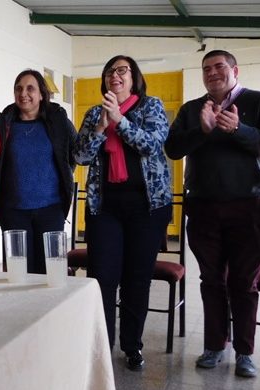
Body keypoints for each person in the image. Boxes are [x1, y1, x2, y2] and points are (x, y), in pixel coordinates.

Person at [165, 50, 260, 378]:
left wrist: (238, 129)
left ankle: (244, 352)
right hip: (203, 207)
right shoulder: (190, 109)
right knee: (211, 279)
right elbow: (173, 149)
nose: (212, 73)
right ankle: (214, 345)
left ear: (235, 70)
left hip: (249, 207)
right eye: (206, 69)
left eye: (219, 67)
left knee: (244, 282)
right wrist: (202, 129)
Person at [74, 55, 173, 371]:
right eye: (109, 72)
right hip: (105, 209)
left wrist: (120, 119)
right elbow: (80, 155)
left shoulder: (151, 106)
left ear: (134, 78)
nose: (114, 76)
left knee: (137, 279)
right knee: (101, 278)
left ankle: (132, 346)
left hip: (147, 209)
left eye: (121, 71)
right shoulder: (93, 114)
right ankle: (100, 345)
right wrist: (102, 127)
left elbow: (154, 145)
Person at [0, 70, 76, 274]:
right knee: (18, 274)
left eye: (30, 88)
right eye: (18, 88)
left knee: (52, 273)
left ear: (41, 94)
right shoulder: (3, 122)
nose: (23, 93)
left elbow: (72, 154)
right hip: (14, 211)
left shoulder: (58, 121)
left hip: (51, 210)